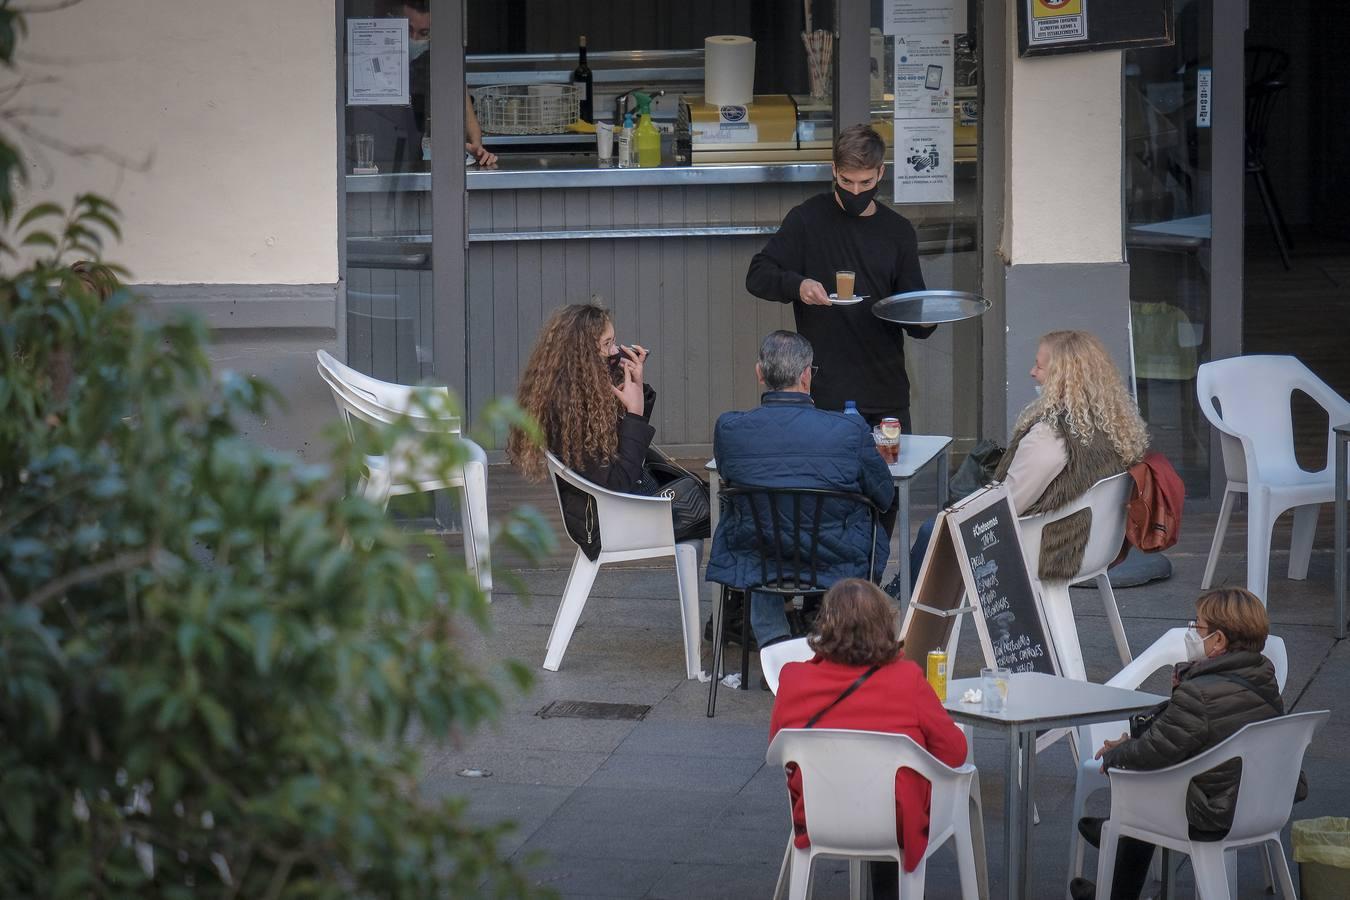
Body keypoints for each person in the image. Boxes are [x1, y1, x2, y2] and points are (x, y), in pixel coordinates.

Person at [1069, 588, 1293, 900]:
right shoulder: (1264, 679)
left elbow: (1156, 751)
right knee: (1146, 793)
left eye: (1197, 627)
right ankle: (1116, 832)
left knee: (1140, 793)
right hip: (1258, 803)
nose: (1191, 632)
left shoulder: (1199, 692)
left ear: (1217, 641)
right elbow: (1194, 734)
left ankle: (1116, 855)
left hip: (1212, 811)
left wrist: (1115, 755)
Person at [900, 329, 1149, 595]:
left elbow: (1008, 503)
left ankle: (908, 610)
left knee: (934, 529)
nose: (1032, 372)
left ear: (1063, 378)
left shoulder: (1051, 434)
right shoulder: (1113, 424)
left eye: (1039, 366)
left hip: (1045, 548)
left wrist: (961, 507)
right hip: (1094, 542)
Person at [770, 579, 967, 900]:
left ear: (825, 625)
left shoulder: (792, 679)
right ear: (884, 624)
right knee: (907, 786)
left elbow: (780, 750)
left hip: (819, 816)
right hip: (894, 822)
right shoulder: (907, 680)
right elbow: (955, 754)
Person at [706, 331, 895, 650]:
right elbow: (884, 495)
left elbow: (729, 476)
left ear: (759, 373)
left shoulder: (730, 429)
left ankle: (774, 646)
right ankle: (832, 637)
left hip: (761, 557)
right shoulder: (848, 430)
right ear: (807, 375)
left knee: (764, 531)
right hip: (835, 558)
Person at [745, 124, 934, 432]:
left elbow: (912, 305)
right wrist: (799, 285)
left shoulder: (897, 230)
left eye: (865, 182)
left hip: (885, 388)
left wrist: (927, 320)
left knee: (891, 478)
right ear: (833, 170)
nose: (856, 191)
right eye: (847, 181)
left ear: (880, 174)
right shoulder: (807, 219)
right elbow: (758, 274)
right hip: (825, 389)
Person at [506, 304, 703, 552]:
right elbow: (618, 482)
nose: (616, 351)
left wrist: (636, 387)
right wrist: (634, 412)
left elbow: (625, 450)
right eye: (608, 344)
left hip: (611, 507)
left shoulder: (576, 395)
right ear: (584, 353)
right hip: (606, 522)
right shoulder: (570, 413)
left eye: (615, 342)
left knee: (708, 501)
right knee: (714, 510)